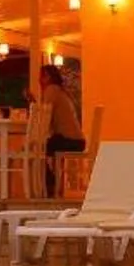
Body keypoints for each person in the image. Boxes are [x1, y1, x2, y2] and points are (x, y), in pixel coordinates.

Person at [38, 64, 86, 196]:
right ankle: (52, 184)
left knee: (36, 149)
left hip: (68, 140)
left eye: (42, 76)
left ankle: (50, 183)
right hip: (77, 140)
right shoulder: (60, 91)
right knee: (43, 147)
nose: (40, 80)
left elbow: (44, 116)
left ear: (47, 77)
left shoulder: (51, 90)